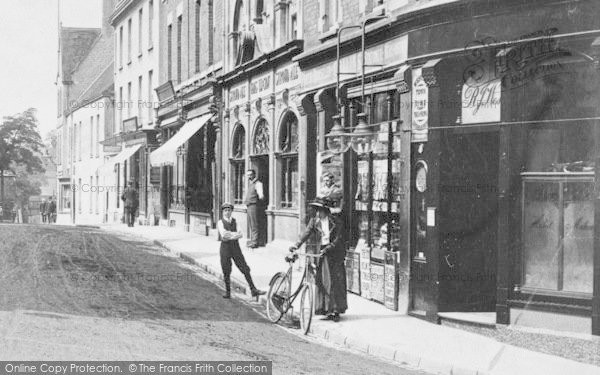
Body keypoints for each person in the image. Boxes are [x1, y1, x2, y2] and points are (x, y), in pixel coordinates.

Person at [290, 197, 347, 322]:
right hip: (322, 253)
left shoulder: (336, 222)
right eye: (316, 210)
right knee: (324, 281)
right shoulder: (314, 221)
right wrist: (296, 245)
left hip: (335, 253)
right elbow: (306, 233)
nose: (317, 213)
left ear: (325, 211)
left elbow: (338, 239)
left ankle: (335, 310)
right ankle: (325, 309)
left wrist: (328, 248)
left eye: (319, 210)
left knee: (335, 281)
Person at [218, 202, 265, 299]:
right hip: (225, 248)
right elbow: (224, 235)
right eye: (225, 211)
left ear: (231, 211)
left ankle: (253, 289)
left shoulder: (235, 221)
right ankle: (228, 292)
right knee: (226, 269)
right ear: (223, 212)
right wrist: (234, 235)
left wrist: (230, 235)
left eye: (229, 210)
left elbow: (241, 234)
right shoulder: (220, 222)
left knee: (244, 267)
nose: (227, 212)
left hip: (235, 247)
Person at [243, 169, 264, 248]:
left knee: (254, 224)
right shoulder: (251, 184)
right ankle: (252, 240)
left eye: (250, 175)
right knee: (251, 224)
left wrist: (256, 200)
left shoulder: (258, 184)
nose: (249, 177)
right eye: (248, 175)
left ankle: (255, 242)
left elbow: (261, 196)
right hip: (249, 206)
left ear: (254, 175)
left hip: (253, 205)